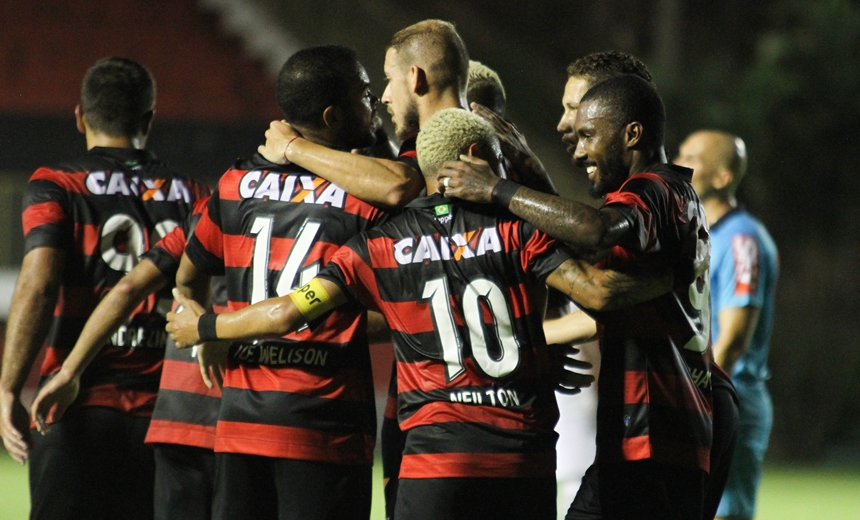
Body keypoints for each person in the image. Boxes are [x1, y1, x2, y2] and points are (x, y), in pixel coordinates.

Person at [167, 107, 677, 520]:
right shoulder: (518, 231)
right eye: (498, 160)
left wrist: (206, 326)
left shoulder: (376, 247)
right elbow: (599, 292)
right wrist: (677, 276)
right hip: (523, 458)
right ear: (476, 155)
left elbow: (286, 313)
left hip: (435, 460)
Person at [438, 74, 714, 519]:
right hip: (667, 428)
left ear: (632, 134)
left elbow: (597, 230)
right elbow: (589, 246)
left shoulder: (652, 189)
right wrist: (532, 170)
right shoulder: (676, 196)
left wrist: (497, 189)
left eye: (589, 134)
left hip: (651, 433)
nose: (580, 148)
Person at [177, 44, 397, 520]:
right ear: (334, 116)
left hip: (240, 425)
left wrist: (207, 341)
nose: (374, 101)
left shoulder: (234, 184)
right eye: (364, 94)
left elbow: (186, 276)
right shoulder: (367, 199)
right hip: (325, 426)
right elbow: (404, 186)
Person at [0, 57, 209, 520]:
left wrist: (9, 388)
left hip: (75, 406)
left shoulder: (57, 185)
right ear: (149, 119)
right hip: (166, 415)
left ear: (80, 115)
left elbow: (37, 287)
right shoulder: (194, 195)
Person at [28, 195, 224, 520]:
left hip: (180, 416)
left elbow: (126, 288)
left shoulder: (216, 202)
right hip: (247, 414)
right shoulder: (328, 203)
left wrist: (67, 372)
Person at [676, 130, 779, 520]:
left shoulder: (741, 241)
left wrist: (701, 399)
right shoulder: (698, 234)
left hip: (723, 394)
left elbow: (733, 341)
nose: (679, 161)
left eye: (694, 157)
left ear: (722, 177)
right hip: (698, 393)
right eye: (679, 151)